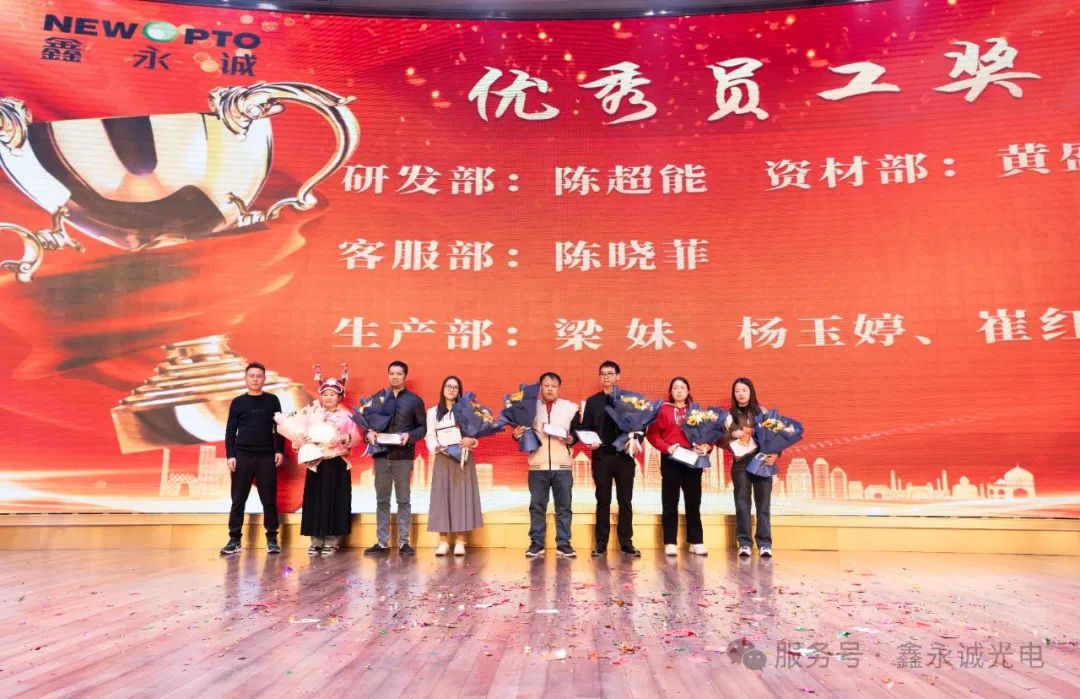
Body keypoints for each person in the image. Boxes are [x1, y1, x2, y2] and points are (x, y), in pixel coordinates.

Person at [514, 372, 581, 558]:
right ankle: (536, 543)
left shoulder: (571, 408)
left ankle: (564, 544)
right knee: (537, 507)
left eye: (554, 386)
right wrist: (516, 434)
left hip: (563, 467)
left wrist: (570, 438)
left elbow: (577, 433)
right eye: (546, 385)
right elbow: (522, 433)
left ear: (559, 388)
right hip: (538, 466)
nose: (550, 389)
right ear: (540, 387)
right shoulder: (529, 408)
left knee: (564, 507)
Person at [221, 362, 285, 556]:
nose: (255, 379)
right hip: (242, 456)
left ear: (264, 379)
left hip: (266, 456)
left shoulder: (272, 400)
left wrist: (279, 450)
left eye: (259, 376)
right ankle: (234, 539)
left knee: (269, 500)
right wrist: (231, 455)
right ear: (246, 379)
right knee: (238, 499)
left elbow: (279, 427)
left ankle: (272, 539)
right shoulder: (238, 402)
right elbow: (230, 431)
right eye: (252, 376)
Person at [296, 366, 360, 556]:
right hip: (316, 462)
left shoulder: (347, 416)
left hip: (337, 462)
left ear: (340, 397)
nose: (329, 397)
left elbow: (356, 437)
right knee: (314, 501)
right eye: (325, 394)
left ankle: (332, 541)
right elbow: (299, 435)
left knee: (335, 500)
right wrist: (299, 441)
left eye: (333, 394)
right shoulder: (311, 415)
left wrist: (344, 437)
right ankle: (316, 540)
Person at [364, 360, 426, 556]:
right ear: (387, 375)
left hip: (403, 457)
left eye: (399, 373)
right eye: (391, 373)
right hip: (381, 455)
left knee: (403, 500)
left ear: (405, 376)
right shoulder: (378, 398)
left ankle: (404, 542)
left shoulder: (414, 401)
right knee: (382, 499)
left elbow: (422, 428)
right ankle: (382, 542)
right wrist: (368, 433)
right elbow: (367, 424)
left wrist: (410, 435)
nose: (395, 377)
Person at [580, 360, 640, 558]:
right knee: (602, 500)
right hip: (602, 457)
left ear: (618, 376)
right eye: (603, 374)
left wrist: (635, 441)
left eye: (610, 373)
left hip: (624, 457)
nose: (606, 377)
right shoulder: (593, 401)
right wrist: (589, 441)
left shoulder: (629, 400)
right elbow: (585, 428)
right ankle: (601, 543)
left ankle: (626, 543)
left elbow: (641, 426)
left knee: (625, 501)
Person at [646, 377, 711, 557]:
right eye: (675, 388)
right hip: (671, 459)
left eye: (682, 387)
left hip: (692, 459)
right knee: (670, 501)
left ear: (688, 391)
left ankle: (696, 541)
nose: (679, 391)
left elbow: (709, 436)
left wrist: (706, 447)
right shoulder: (663, 410)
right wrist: (666, 447)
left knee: (693, 501)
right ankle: (670, 541)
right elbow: (652, 435)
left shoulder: (697, 411)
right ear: (670, 392)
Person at [424, 376, 483, 556]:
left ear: (459, 391)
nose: (451, 390)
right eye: (448, 386)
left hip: (463, 458)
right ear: (442, 389)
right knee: (442, 498)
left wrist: (471, 441)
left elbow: (476, 436)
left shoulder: (467, 410)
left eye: (455, 387)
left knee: (462, 497)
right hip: (443, 458)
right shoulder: (433, 412)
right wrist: (437, 448)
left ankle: (460, 541)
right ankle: (443, 541)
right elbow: (430, 435)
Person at [722, 377, 776, 558]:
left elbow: (775, 435)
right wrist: (732, 435)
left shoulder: (763, 413)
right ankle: (744, 543)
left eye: (744, 390)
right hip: (740, 463)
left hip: (761, 461)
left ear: (751, 392)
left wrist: (776, 454)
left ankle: (765, 544)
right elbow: (719, 439)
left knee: (763, 504)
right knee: (742, 503)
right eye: (737, 391)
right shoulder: (728, 416)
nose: (741, 394)